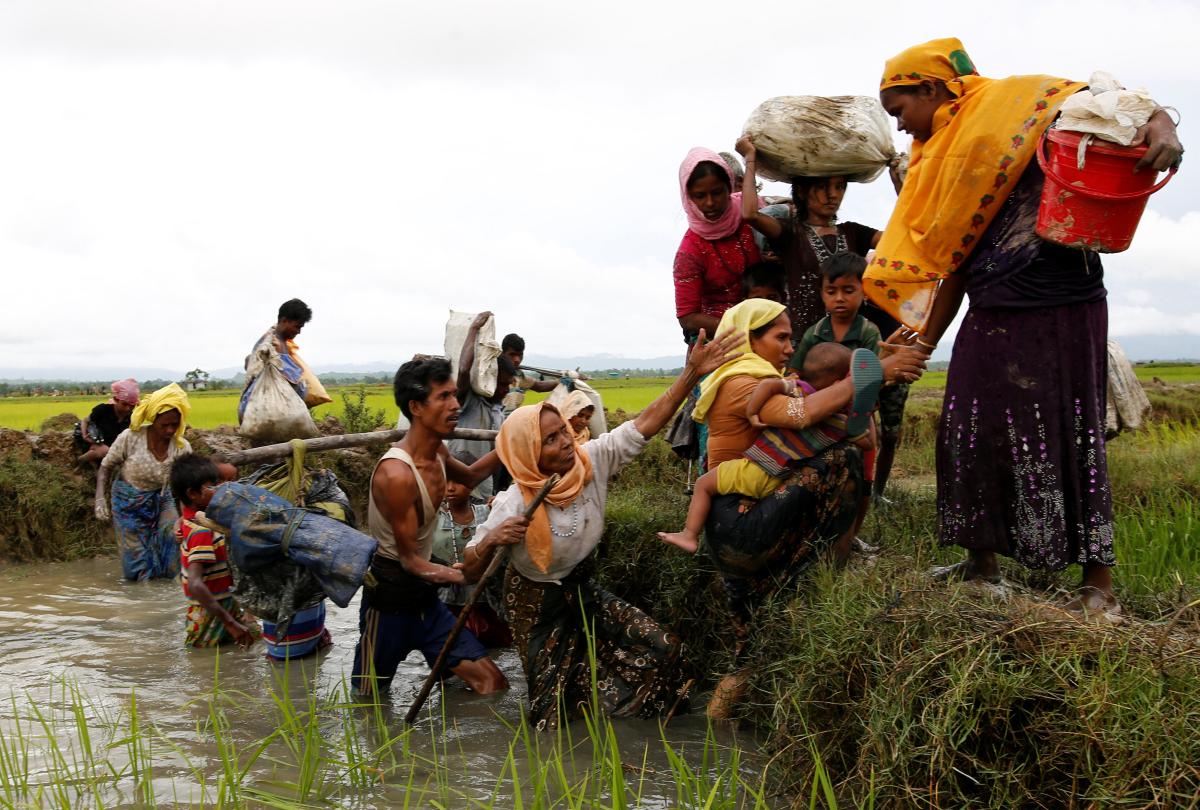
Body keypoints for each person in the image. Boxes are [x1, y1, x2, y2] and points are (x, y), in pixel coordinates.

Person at [866, 38, 1182, 615]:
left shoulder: (1021, 105)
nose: (901, 126)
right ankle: (981, 565)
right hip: (992, 306)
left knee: (1073, 431)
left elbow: (1114, 100)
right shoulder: (939, 157)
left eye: (899, 110)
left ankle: (1098, 586)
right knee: (968, 430)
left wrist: (1162, 127)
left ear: (929, 88)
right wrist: (924, 339)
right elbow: (957, 262)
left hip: (1063, 302)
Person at [460, 327, 744, 729]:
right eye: (550, 439)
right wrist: (492, 539)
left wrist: (690, 376)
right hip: (534, 603)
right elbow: (469, 569)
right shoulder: (515, 502)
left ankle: (628, 731)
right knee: (550, 716)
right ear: (528, 452)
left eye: (563, 431)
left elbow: (645, 424)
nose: (565, 442)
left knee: (663, 648)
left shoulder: (591, 461)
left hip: (581, 586)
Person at [689, 299, 923, 714]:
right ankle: (830, 566)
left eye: (790, 338)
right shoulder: (743, 382)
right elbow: (803, 413)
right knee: (842, 457)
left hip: (735, 522)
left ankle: (715, 729)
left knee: (748, 652)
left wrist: (872, 371)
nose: (788, 347)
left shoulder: (764, 378)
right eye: (780, 338)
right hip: (742, 523)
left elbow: (835, 402)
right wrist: (872, 372)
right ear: (749, 339)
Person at [738, 137, 912, 498]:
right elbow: (750, 214)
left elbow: (903, 237)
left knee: (859, 425)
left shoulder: (854, 233)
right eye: (823, 187)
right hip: (807, 349)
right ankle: (808, 496)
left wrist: (899, 182)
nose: (833, 195)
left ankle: (867, 494)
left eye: (839, 187)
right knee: (810, 425)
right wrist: (750, 158)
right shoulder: (790, 234)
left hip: (852, 348)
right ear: (802, 191)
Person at [351, 357, 508, 698]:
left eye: (455, 395)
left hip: (426, 600)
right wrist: (463, 575)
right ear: (416, 407)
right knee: (368, 700)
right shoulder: (397, 474)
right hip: (389, 602)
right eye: (444, 397)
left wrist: (510, 442)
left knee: (493, 684)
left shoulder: (437, 452)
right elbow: (410, 561)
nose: (455, 405)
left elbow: (470, 477)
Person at [659, 342, 879, 553]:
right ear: (839, 385)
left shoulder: (798, 392)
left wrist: (753, 411)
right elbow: (868, 443)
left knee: (703, 484)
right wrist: (863, 410)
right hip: (783, 480)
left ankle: (689, 535)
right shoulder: (839, 421)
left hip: (757, 470)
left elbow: (767, 386)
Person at [673, 147, 782, 345]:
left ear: (729, 187)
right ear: (688, 197)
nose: (710, 203)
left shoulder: (754, 213)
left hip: (771, 326)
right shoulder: (690, 251)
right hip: (721, 340)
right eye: (700, 196)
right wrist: (743, 328)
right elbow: (688, 317)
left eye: (717, 192)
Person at [94, 383, 194, 581]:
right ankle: (142, 592)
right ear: (153, 420)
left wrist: (186, 517)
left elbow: (186, 485)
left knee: (172, 538)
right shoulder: (130, 438)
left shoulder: (181, 447)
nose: (170, 430)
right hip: (127, 501)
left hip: (162, 497)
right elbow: (106, 467)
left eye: (174, 424)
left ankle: (166, 589)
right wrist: (100, 499)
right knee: (137, 560)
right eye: (164, 425)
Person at [170, 454, 258, 649]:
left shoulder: (200, 519)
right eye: (214, 485)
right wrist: (230, 623)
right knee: (206, 660)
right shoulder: (201, 530)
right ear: (193, 494)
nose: (221, 489)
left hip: (222, 604)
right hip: (210, 614)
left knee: (245, 646)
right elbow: (195, 584)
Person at [430, 451, 510, 647]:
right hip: (446, 601)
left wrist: (501, 505)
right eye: (446, 481)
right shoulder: (432, 518)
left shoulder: (488, 513)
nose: (450, 488)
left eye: (458, 481)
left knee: (493, 648)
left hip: (485, 600)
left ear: (472, 482)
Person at [449, 312, 516, 500]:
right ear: (490, 380)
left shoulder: (498, 411)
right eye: (502, 384)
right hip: (459, 488)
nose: (506, 390)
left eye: (509, 385)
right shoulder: (470, 401)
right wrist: (474, 329)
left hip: (485, 492)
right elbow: (464, 370)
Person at [239, 298, 313, 422]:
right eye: (297, 326)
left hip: (254, 410)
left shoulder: (278, 341)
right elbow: (293, 379)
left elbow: (249, 362)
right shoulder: (273, 344)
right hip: (262, 411)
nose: (299, 331)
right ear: (284, 321)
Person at [75, 378, 140, 463]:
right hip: (93, 440)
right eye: (124, 404)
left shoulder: (130, 417)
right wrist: (84, 435)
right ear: (116, 400)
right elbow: (85, 420)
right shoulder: (103, 410)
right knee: (105, 451)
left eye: (132, 406)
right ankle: (80, 460)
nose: (128, 408)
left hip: (110, 445)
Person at [500, 333, 560, 416]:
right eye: (512, 354)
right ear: (502, 353)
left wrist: (561, 381)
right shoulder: (493, 373)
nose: (517, 360)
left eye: (520, 355)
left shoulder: (519, 376)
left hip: (511, 421)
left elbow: (539, 386)